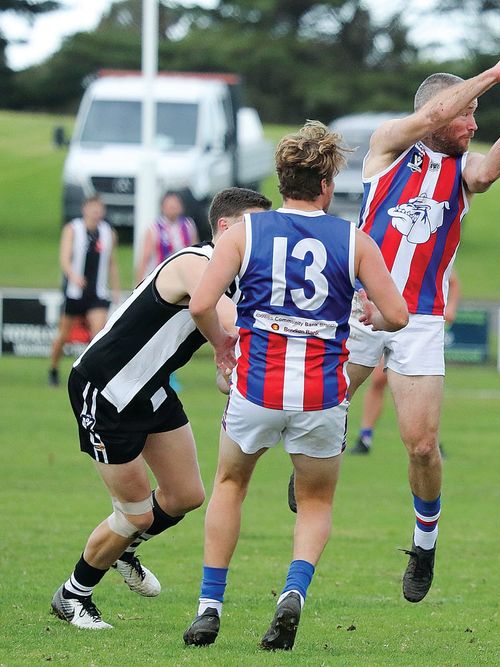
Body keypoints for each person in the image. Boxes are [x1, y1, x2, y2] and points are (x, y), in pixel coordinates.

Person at [288, 54, 500, 605]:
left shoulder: (461, 173)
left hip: (422, 320)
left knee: (422, 446)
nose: (473, 124)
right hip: (360, 310)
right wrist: (491, 76)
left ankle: (424, 540)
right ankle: (312, 464)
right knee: (320, 405)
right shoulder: (388, 147)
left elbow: (490, 169)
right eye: (469, 115)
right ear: (442, 115)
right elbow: (438, 109)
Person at [184, 121, 408, 650]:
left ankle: (209, 606)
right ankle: (293, 593)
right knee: (313, 502)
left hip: (256, 388)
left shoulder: (244, 232)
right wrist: (373, 316)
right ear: (327, 184)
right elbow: (397, 314)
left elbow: (199, 304)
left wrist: (222, 343)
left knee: (230, 485)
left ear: (281, 179)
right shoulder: (355, 240)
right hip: (321, 396)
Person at [49, 187, 272, 630]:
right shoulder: (196, 262)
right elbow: (232, 321)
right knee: (134, 513)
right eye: (255, 226)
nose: (261, 237)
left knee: (186, 495)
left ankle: (124, 549)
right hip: (107, 388)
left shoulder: (234, 278)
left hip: (150, 389)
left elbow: (221, 329)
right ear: (225, 228)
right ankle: (73, 595)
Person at [349, 270, 462, 455]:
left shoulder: (428, 247)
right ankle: (365, 436)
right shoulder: (378, 249)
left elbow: (454, 280)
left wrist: (450, 308)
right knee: (378, 382)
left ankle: (431, 440)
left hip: (413, 322)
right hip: (381, 317)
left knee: (420, 388)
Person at [49, 196, 120, 387]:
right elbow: (64, 258)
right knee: (63, 335)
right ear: (84, 209)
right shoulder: (73, 229)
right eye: (92, 208)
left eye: (99, 208)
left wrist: (116, 289)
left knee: (98, 336)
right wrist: (73, 276)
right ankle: (53, 369)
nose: (96, 212)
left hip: (97, 293)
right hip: (75, 292)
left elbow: (112, 263)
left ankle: (91, 376)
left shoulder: (108, 233)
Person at [136, 192, 200, 282]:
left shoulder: (188, 225)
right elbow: (145, 259)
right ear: (162, 207)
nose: (173, 208)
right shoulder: (154, 229)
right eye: (170, 205)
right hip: (160, 279)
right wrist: (138, 285)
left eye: (175, 205)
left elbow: (196, 252)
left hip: (183, 279)